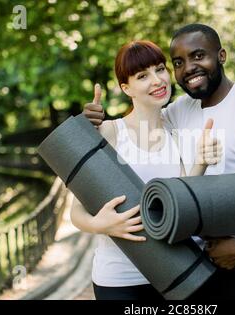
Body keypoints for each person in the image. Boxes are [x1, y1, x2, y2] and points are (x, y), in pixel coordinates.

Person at [84, 24, 235, 300]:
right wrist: (89, 124)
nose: (189, 68)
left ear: (221, 56)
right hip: (192, 264)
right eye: (178, 62)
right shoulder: (177, 111)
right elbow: (142, 122)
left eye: (199, 56)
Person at [70, 40, 222, 300]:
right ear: (126, 88)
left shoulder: (178, 131)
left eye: (160, 69)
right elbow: (76, 212)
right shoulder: (109, 132)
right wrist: (100, 224)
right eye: (142, 76)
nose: (157, 80)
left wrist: (202, 162)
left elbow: (182, 202)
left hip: (180, 270)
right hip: (120, 279)